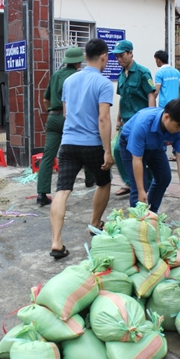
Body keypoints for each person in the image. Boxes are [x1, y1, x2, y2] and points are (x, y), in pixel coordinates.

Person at [49, 38, 114, 259]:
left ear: (85, 57)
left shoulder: (69, 81)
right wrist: (107, 150)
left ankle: (56, 242)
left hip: (68, 143)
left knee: (62, 191)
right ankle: (94, 223)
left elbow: (66, 113)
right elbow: (103, 119)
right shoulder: (104, 84)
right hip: (92, 144)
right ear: (104, 56)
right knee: (104, 181)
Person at [37, 46, 95, 207]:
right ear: (79, 62)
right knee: (85, 145)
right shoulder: (78, 77)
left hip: (53, 117)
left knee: (48, 155)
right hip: (71, 118)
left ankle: (42, 193)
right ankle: (90, 179)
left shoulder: (55, 76)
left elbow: (45, 99)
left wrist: (51, 110)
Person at [119, 98, 180, 212]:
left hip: (155, 144)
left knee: (164, 177)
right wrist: (141, 191)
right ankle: (138, 224)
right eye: (177, 126)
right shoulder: (143, 123)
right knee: (139, 187)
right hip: (131, 146)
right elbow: (137, 159)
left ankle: (152, 214)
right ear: (166, 117)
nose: (179, 130)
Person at [110, 40, 156, 196]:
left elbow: (151, 94)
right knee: (117, 151)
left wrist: (151, 118)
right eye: (116, 57)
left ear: (130, 53)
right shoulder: (121, 75)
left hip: (141, 120)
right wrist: (118, 119)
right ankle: (130, 182)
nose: (119, 59)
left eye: (121, 55)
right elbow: (122, 98)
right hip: (126, 121)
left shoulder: (143, 72)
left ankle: (147, 184)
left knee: (141, 154)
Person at [154, 50, 180, 161]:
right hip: (177, 105)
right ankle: (176, 153)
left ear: (158, 59)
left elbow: (156, 91)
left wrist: (151, 101)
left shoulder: (159, 73)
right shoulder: (176, 72)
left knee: (163, 129)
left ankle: (161, 152)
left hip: (165, 107)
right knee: (177, 128)